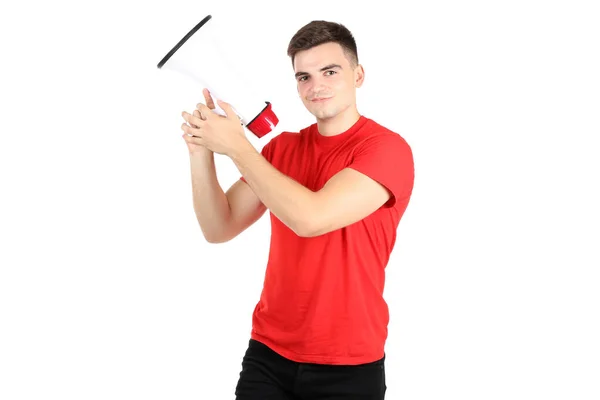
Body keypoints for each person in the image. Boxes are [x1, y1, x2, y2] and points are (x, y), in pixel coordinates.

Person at [180, 19, 414, 400]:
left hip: (348, 363)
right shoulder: (282, 150)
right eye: (303, 77)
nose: (315, 86)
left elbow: (311, 218)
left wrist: (238, 147)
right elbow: (218, 227)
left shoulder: (387, 149)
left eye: (330, 71)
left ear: (358, 75)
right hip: (268, 353)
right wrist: (201, 151)